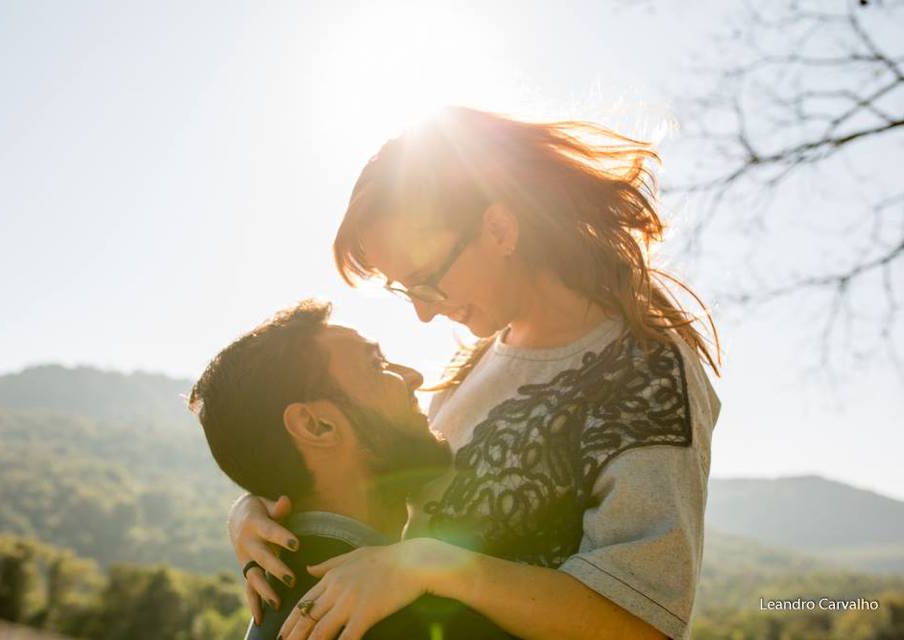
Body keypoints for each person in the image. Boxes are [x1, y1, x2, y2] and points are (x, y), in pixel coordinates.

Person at [229, 107, 722, 640]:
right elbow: (369, 478)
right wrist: (261, 513)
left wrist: (430, 566)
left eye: (426, 281)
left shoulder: (646, 370)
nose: (422, 311)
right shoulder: (470, 368)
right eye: (405, 290)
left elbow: (643, 622)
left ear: (499, 227)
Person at [189, 299, 513, 639]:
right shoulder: (420, 619)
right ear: (317, 426)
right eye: (376, 365)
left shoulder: (278, 610)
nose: (413, 376)